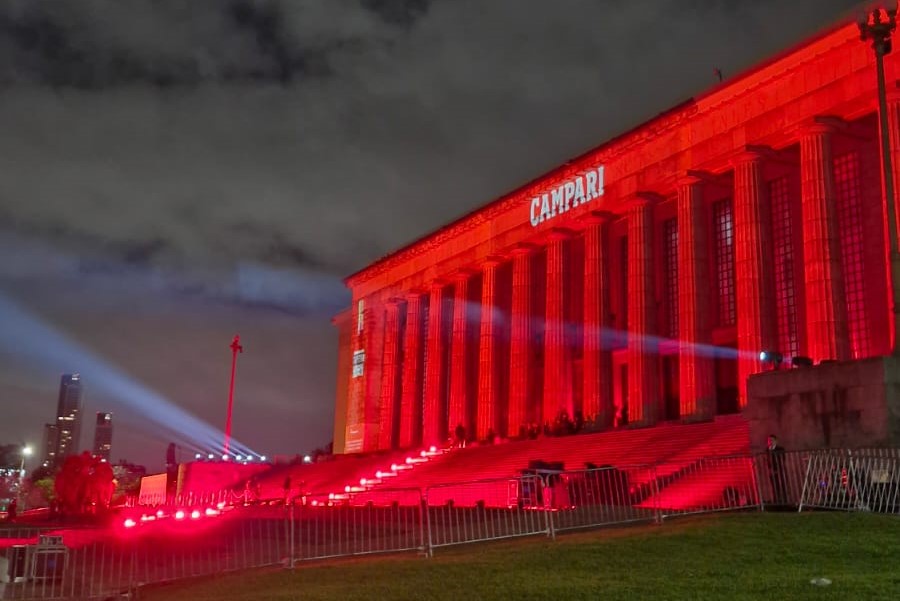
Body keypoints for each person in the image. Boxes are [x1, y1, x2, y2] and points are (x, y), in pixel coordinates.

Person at [767, 434, 787, 505]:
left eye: (772, 440)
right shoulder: (767, 450)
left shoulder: (780, 449)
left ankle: (785, 501)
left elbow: (782, 460)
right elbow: (768, 461)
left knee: (783, 486)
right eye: (769, 440)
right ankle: (776, 501)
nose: (770, 442)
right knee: (775, 487)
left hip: (780, 471)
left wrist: (777, 469)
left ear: (776, 441)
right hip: (772, 472)